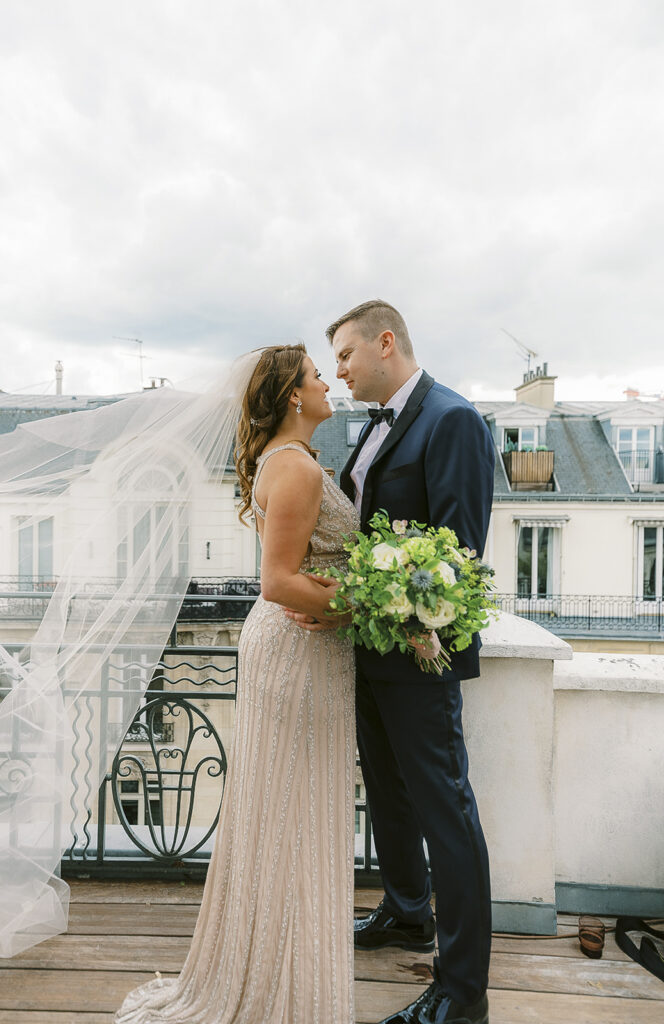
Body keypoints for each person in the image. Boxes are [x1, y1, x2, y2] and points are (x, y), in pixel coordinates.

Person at [115, 343, 360, 1023]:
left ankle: (277, 963)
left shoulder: (295, 463)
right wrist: (365, 605)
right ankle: (274, 981)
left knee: (284, 814)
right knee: (289, 813)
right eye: (316, 376)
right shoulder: (297, 470)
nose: (326, 385)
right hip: (298, 651)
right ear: (292, 396)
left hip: (302, 649)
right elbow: (278, 581)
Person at [289, 300, 495, 1024]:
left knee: (447, 812)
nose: (338, 370)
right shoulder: (371, 429)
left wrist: (362, 604)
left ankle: (463, 989)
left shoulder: (452, 419)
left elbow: (458, 557)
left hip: (421, 654)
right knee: (387, 795)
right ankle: (408, 912)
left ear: (386, 343)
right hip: (370, 652)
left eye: (344, 354)